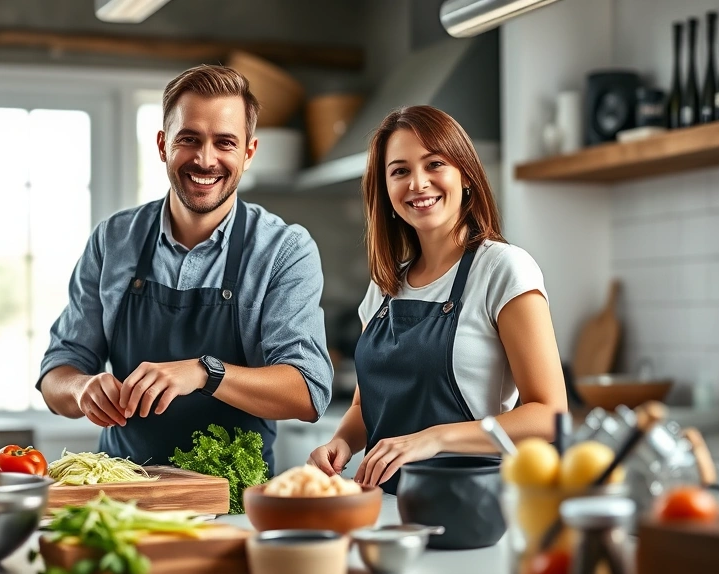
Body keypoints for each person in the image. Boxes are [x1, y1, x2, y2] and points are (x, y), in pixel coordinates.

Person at [37, 65, 333, 471]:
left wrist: (204, 373)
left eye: (225, 142)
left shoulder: (284, 250)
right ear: (163, 145)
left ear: (248, 153)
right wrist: (81, 388)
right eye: (189, 139)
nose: (205, 159)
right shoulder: (114, 240)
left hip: (231, 499)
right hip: (123, 491)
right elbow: (57, 373)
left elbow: (308, 391)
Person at [308, 105, 567, 493]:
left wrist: (434, 438)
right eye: (399, 171)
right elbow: (365, 408)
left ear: (465, 176)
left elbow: (550, 415)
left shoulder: (503, 269)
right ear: (386, 190)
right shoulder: (384, 285)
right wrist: (341, 442)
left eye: (434, 164)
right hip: (386, 506)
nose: (417, 183)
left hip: (470, 504)